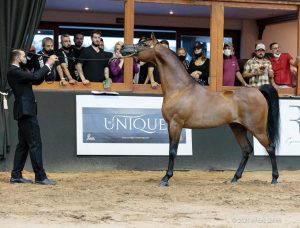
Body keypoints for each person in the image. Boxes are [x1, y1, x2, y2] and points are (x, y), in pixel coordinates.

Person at [7, 49, 57, 185]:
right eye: (23, 56)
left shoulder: (18, 71)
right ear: (17, 58)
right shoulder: (14, 71)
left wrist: (49, 66)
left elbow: (36, 80)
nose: (26, 58)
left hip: (25, 111)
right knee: (35, 143)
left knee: (23, 144)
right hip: (26, 111)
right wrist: (48, 63)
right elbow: (34, 78)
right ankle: (40, 177)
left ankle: (16, 175)